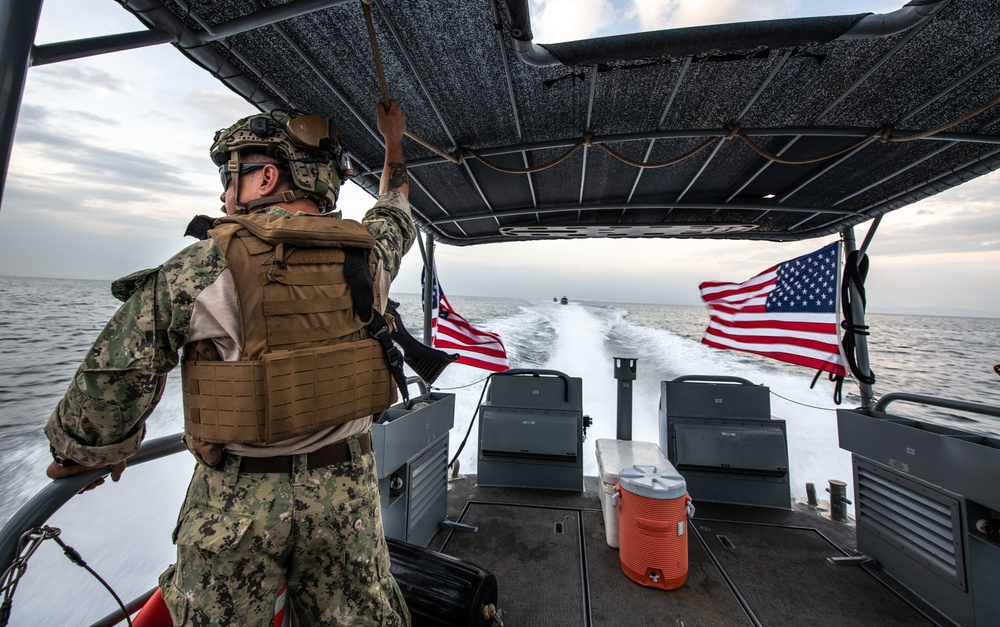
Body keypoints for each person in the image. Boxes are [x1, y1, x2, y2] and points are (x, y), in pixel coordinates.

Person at [43, 100, 415, 626]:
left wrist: (82, 453)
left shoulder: (204, 263)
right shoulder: (371, 252)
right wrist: (393, 140)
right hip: (347, 490)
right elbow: (396, 207)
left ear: (266, 177)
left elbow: (117, 376)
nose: (223, 193)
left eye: (231, 175)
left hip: (239, 502)